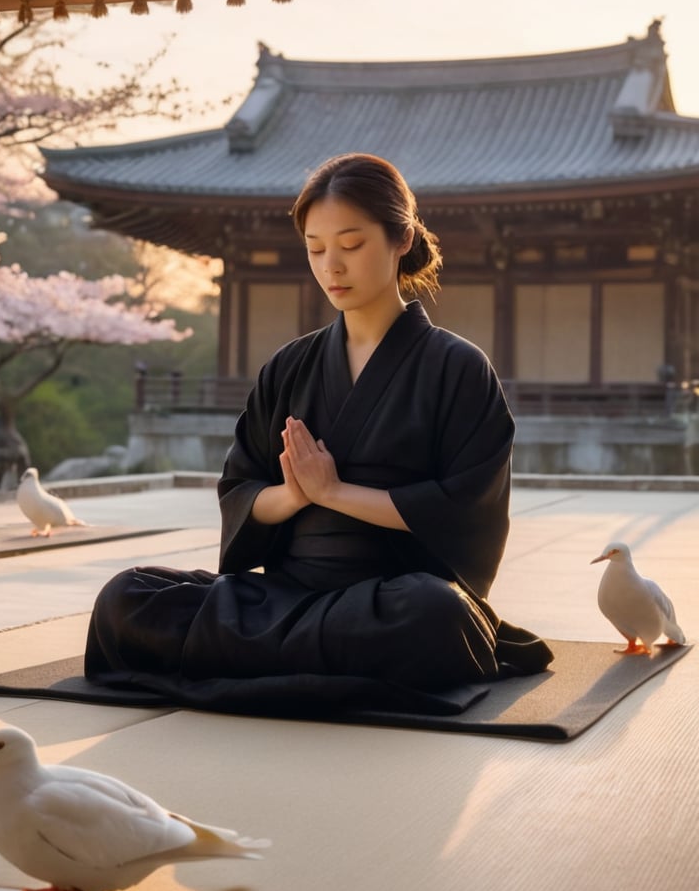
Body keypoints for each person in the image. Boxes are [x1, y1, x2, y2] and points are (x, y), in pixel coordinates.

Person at [85, 153, 552, 716]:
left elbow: (464, 510)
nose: (332, 265)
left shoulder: (458, 367)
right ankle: (309, 662)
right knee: (127, 597)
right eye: (315, 248)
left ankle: (251, 661)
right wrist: (294, 494)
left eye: (351, 245)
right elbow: (240, 491)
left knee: (439, 614)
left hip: (390, 599)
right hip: (285, 597)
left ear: (401, 238)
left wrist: (335, 493)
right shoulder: (290, 366)